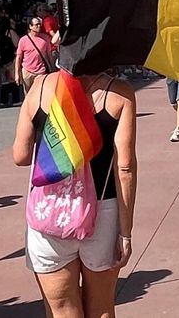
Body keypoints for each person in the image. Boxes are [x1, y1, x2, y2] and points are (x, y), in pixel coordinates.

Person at [15, 69, 138, 318]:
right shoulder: (119, 93)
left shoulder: (40, 87)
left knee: (61, 308)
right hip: (103, 211)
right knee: (102, 307)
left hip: (49, 209)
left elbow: (21, 156)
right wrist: (125, 233)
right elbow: (124, 169)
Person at [17, 15, 57, 92]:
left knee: (40, 94)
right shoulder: (23, 40)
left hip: (41, 72)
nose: (39, 26)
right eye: (36, 25)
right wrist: (17, 74)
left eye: (39, 24)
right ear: (30, 26)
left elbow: (49, 55)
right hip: (27, 72)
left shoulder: (45, 38)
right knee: (28, 95)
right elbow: (18, 57)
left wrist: (53, 69)